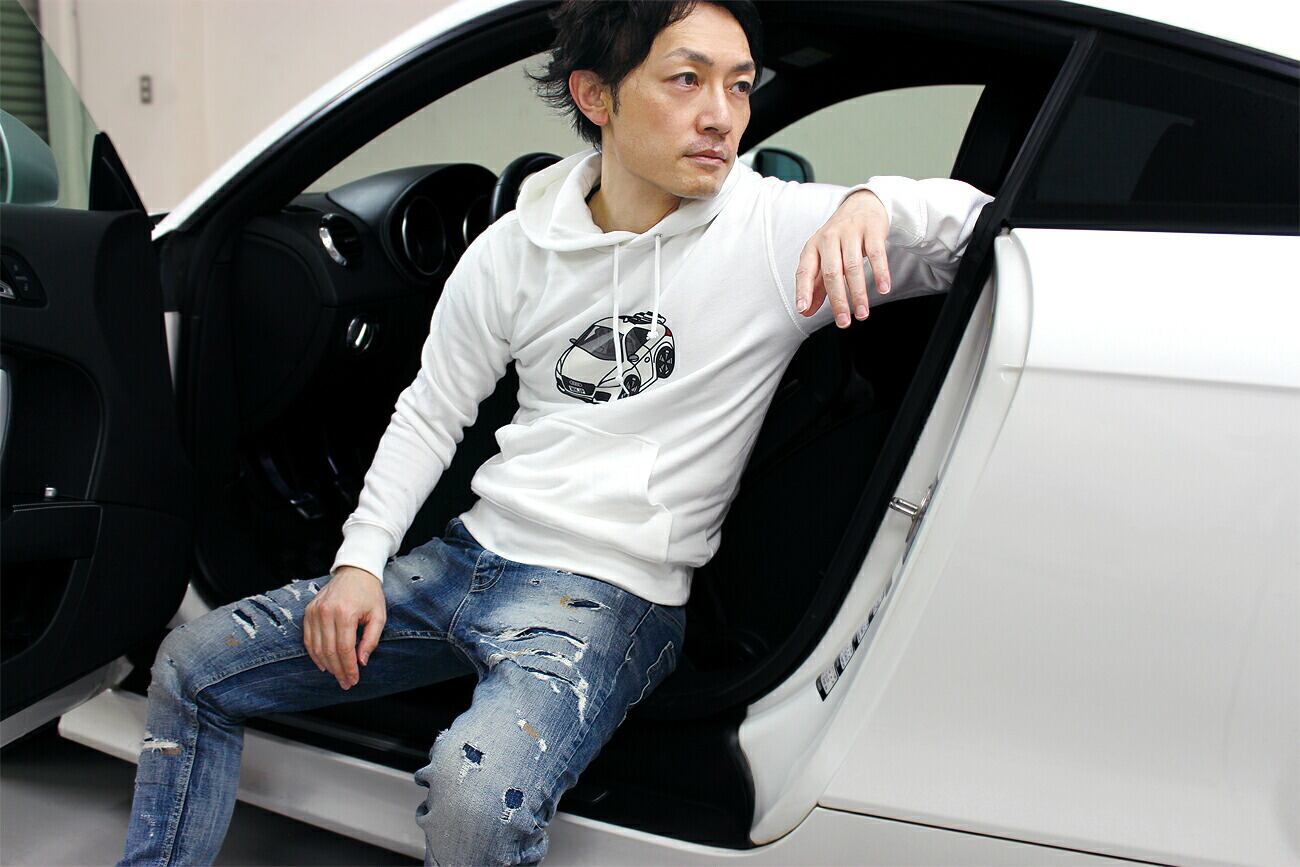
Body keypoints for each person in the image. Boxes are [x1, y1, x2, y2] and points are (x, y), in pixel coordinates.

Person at [117, 1, 993, 864]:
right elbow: (432, 410)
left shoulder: (772, 229)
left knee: (473, 798)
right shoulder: (514, 246)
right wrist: (359, 562)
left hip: (615, 593)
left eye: (738, 85)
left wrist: (875, 202)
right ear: (596, 95)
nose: (722, 115)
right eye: (686, 80)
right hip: (466, 557)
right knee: (192, 664)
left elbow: (984, 225)